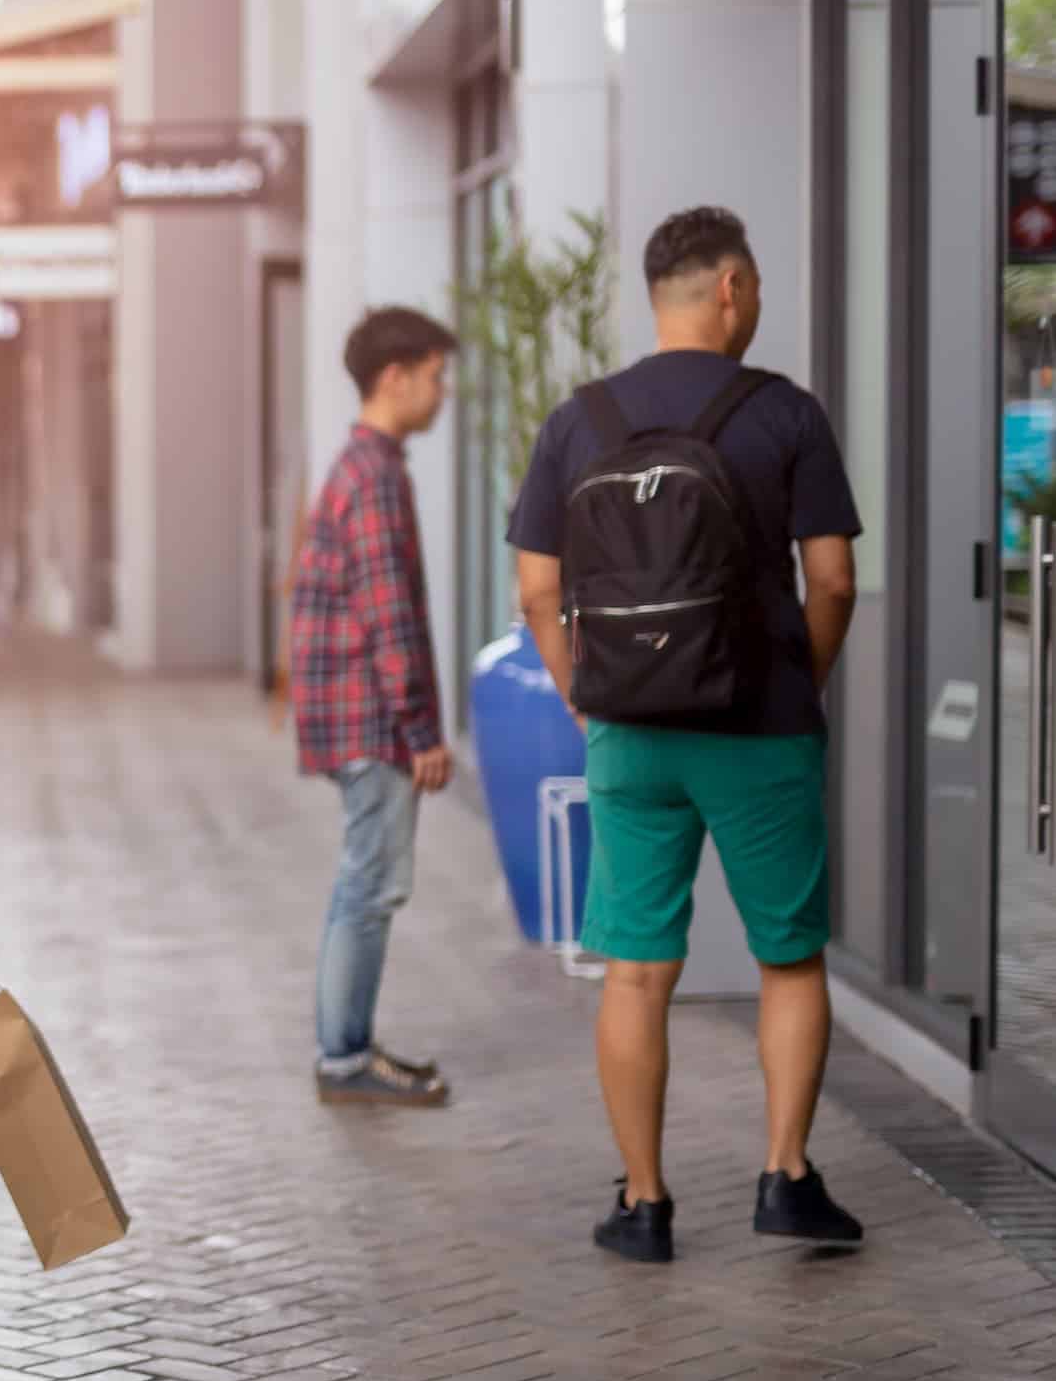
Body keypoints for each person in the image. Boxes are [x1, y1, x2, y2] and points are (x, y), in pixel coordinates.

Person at [511, 206, 863, 1264]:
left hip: (630, 730)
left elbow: (536, 587)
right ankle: (785, 1177)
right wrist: (800, 679)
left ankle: (646, 1201)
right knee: (788, 959)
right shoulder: (784, 415)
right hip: (758, 726)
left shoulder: (581, 421)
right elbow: (835, 577)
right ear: (731, 289)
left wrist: (583, 693)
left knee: (634, 968)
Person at [287, 308, 459, 1111]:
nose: (443, 391)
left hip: (350, 710)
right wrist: (420, 730)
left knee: (363, 880)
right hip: (371, 717)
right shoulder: (374, 474)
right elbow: (391, 613)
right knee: (370, 883)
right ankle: (345, 1055)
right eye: (435, 375)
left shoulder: (361, 465)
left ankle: (346, 1046)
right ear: (396, 377)